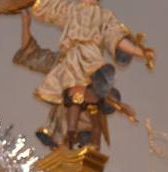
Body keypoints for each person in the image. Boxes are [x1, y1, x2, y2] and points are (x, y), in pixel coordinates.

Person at [23, 0, 153, 148]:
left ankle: (85, 136)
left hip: (92, 61)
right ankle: (65, 136)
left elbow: (117, 38)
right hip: (71, 61)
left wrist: (140, 52)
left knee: (88, 98)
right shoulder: (71, 10)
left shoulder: (103, 16)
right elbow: (46, 9)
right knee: (69, 96)